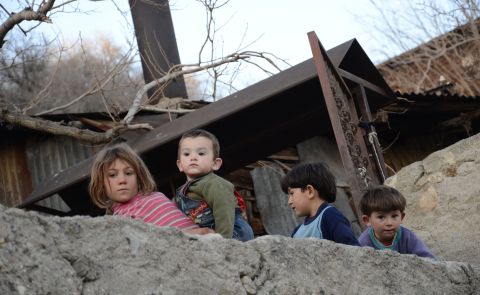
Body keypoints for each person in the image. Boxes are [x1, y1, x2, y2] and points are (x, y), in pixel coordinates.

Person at [89, 143, 212, 235]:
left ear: (139, 176)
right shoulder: (116, 224)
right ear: (101, 183)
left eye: (128, 173)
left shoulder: (154, 197)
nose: (122, 180)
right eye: (112, 175)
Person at [175, 129, 254, 241]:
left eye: (201, 153)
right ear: (180, 165)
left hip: (232, 232)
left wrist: (223, 242)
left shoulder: (214, 184)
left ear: (215, 163)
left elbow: (224, 211)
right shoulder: (181, 191)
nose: (193, 157)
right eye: (187, 154)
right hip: (210, 233)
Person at [281, 162, 359, 246]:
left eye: (292, 193)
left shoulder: (330, 217)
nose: (289, 202)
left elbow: (353, 249)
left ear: (310, 191)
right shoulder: (297, 232)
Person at [358, 185, 435, 259]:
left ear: (401, 217)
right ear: (367, 220)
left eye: (394, 216)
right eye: (381, 217)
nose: (389, 223)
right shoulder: (364, 243)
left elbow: (429, 260)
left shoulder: (407, 237)